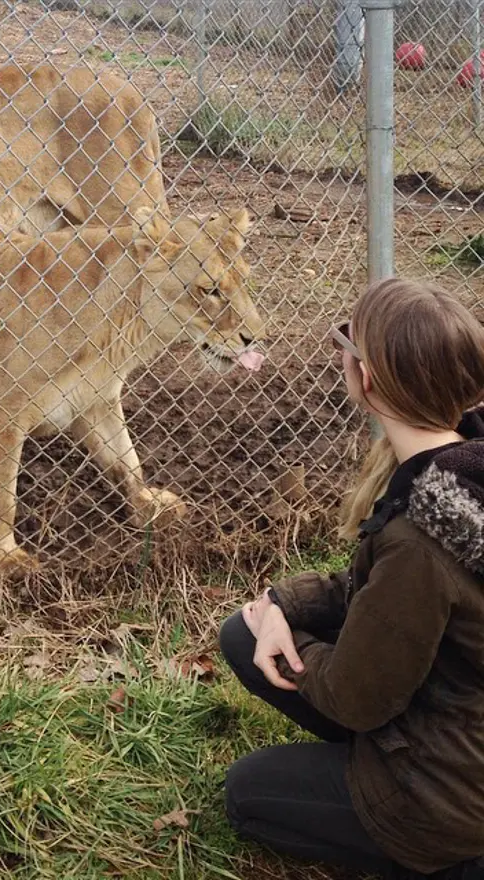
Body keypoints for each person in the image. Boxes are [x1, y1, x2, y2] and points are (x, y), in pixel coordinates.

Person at [220, 277, 484, 879]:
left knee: (249, 793)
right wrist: (282, 605)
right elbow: (375, 592)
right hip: (456, 718)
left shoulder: (421, 538)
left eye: (347, 341)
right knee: (245, 632)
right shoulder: (461, 466)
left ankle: (454, 862)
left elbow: (357, 699)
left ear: (367, 381)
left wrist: (296, 646)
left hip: (448, 803)